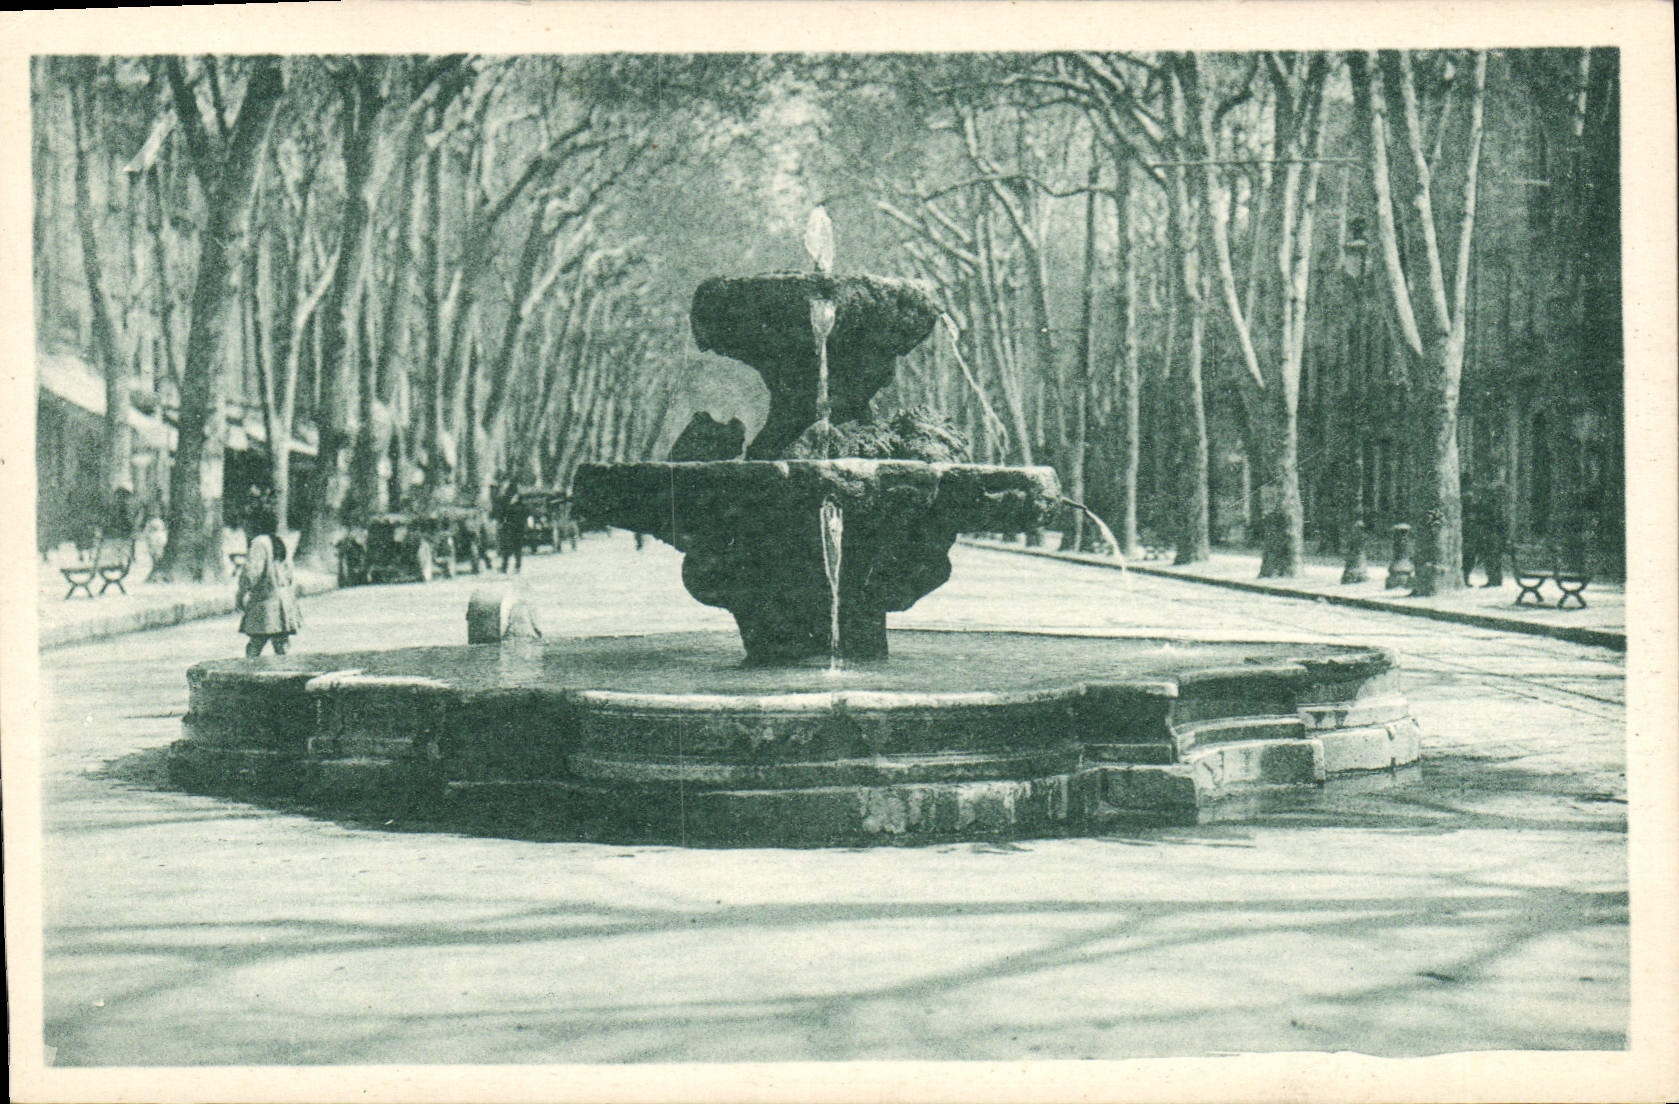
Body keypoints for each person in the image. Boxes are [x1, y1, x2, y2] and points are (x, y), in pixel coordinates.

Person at [236, 517, 302, 657]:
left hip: (265, 604)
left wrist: (241, 594)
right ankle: (287, 675)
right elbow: (289, 574)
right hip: (284, 603)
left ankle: (248, 675)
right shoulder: (279, 542)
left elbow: (252, 573)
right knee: (282, 646)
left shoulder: (259, 543)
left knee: (255, 645)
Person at [493, 476, 527, 574]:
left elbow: (504, 510)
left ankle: (513, 567)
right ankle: (508, 566)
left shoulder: (511, 496)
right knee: (510, 547)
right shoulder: (506, 496)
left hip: (514, 524)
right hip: (511, 524)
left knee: (514, 547)